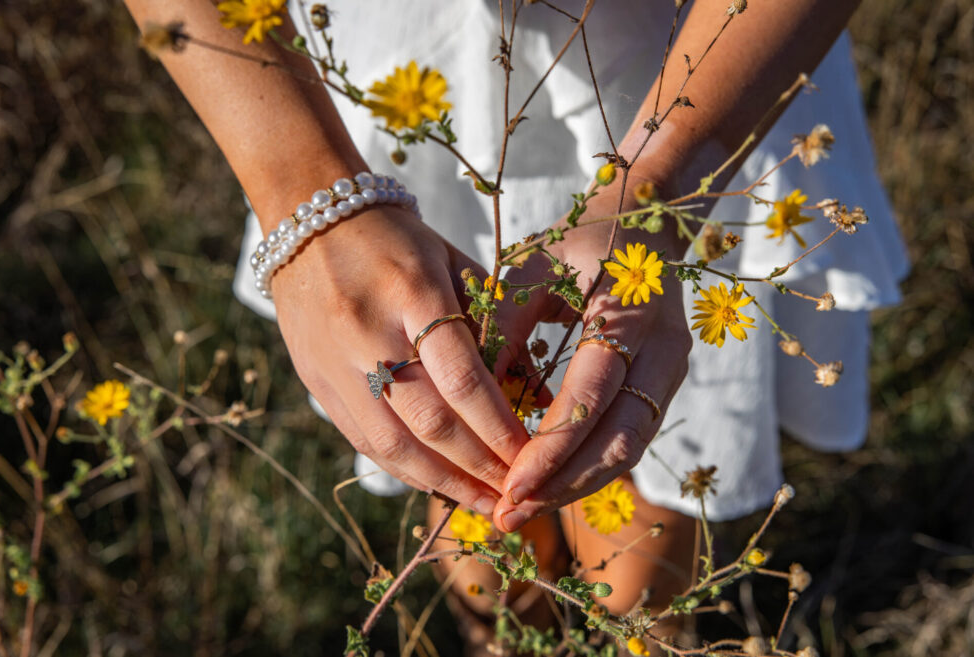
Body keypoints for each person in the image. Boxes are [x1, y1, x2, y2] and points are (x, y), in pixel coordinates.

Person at [125, 0, 908, 651]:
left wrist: (655, 190)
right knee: (475, 499)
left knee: (639, 540)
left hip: (710, 75)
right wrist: (305, 191)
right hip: (390, 73)